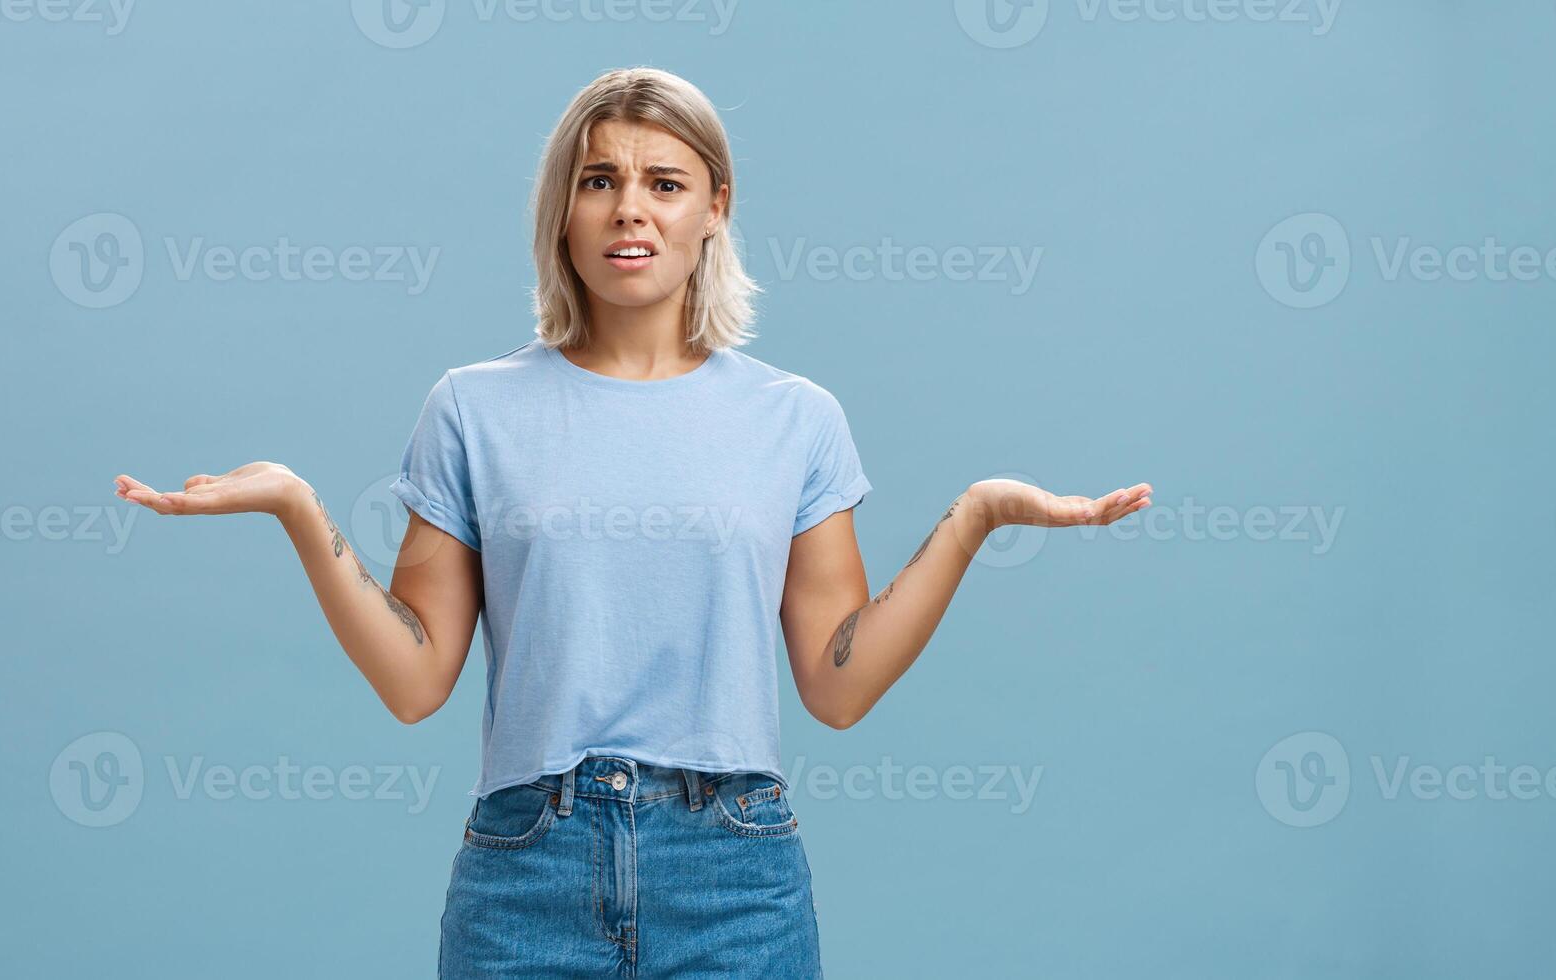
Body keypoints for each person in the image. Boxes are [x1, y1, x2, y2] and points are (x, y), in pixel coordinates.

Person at [114, 66, 1150, 978]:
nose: (629, 211)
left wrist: (971, 519)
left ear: (714, 206)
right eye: (598, 180)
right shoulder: (472, 409)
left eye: (664, 182)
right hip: (527, 871)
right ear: (561, 210)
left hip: (733, 877)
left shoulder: (793, 419)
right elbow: (414, 677)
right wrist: (301, 509)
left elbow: (836, 684)